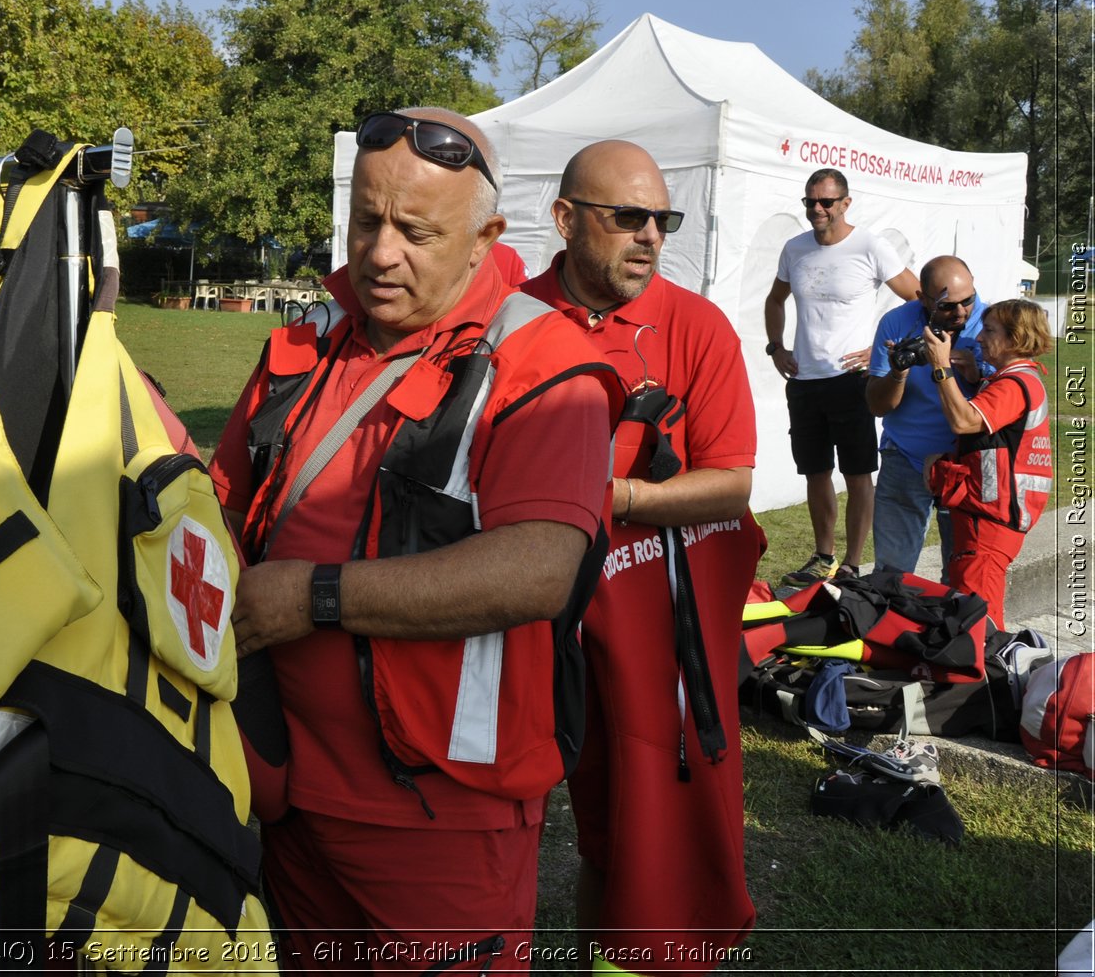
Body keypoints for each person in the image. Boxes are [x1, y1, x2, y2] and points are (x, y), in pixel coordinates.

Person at [209, 107, 618, 971]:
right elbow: (221, 497)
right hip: (275, 781)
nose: (381, 252)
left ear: (484, 238)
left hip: (438, 817)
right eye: (367, 220)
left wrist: (317, 596)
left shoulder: (544, 364)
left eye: (416, 230)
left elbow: (542, 566)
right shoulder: (312, 334)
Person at [522, 139, 762, 974]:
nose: (652, 235)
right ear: (565, 219)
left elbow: (730, 484)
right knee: (508, 815)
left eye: (663, 218)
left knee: (635, 833)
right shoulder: (510, 321)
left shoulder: (697, 326)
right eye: (629, 217)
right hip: (518, 618)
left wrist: (606, 498)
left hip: (644, 638)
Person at [764, 168, 919, 585]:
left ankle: (851, 563)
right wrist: (776, 346)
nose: (817, 209)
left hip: (853, 381)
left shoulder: (870, 245)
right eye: (810, 201)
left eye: (826, 202)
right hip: (805, 382)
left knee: (856, 473)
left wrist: (881, 346)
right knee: (814, 472)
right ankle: (823, 556)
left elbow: (919, 299)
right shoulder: (794, 249)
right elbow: (775, 300)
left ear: (845, 203)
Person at [924, 299, 1054, 630]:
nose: (979, 337)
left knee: (976, 624)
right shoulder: (1016, 379)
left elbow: (965, 422)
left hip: (990, 523)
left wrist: (942, 367)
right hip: (988, 517)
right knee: (971, 610)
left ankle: (984, 679)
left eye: (990, 330)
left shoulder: (1012, 385)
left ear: (1016, 338)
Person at [865, 256, 988, 575]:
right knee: (891, 574)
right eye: (947, 306)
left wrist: (977, 371)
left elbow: (1011, 393)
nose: (961, 314)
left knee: (964, 577)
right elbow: (877, 406)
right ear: (922, 298)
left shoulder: (991, 323)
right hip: (905, 456)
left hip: (967, 462)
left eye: (968, 301)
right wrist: (898, 372)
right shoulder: (895, 323)